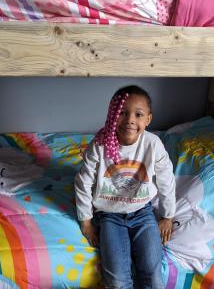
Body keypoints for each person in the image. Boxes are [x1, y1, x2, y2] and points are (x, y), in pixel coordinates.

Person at [74, 85, 176, 289]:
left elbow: (166, 179)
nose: (130, 119)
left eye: (138, 114)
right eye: (122, 112)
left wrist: (167, 216)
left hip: (143, 213)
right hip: (110, 215)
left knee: (153, 276)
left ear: (148, 119)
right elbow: (83, 182)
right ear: (112, 115)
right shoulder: (100, 144)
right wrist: (86, 221)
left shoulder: (153, 144)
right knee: (118, 280)